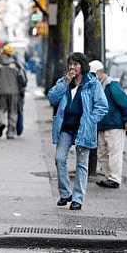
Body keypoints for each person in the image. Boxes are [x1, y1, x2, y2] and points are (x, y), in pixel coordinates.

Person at [47, 52, 108, 210]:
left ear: (82, 66)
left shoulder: (92, 83)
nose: (72, 67)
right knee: (59, 158)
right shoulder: (65, 81)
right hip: (66, 127)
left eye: (76, 64)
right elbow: (52, 97)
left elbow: (102, 106)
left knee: (82, 164)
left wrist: (90, 121)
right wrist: (65, 82)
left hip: (83, 128)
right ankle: (65, 193)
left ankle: (78, 199)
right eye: (70, 64)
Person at [89, 60, 127, 189]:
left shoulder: (111, 85)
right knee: (104, 152)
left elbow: (124, 102)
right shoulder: (100, 86)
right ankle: (109, 177)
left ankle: (114, 178)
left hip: (114, 124)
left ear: (100, 73)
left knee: (113, 153)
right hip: (105, 124)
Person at [0, 44, 27, 139]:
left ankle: (2, 123)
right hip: (14, 92)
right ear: (11, 54)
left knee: (1, 110)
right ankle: (10, 131)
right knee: (13, 111)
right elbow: (22, 79)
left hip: (0, 91)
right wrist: (22, 90)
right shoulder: (15, 65)